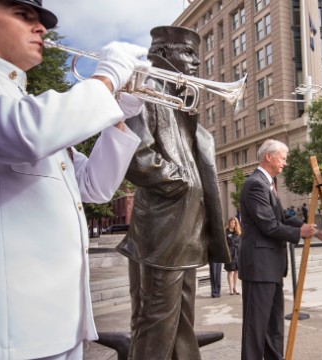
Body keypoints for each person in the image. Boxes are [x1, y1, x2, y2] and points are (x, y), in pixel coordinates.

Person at [0, 0, 145, 358]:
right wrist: (106, 79)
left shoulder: (27, 103)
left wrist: (119, 113)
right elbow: (24, 133)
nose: (42, 28)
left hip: (60, 327)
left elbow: (94, 185)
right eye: (24, 15)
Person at [115, 26, 231, 360]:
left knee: (182, 326)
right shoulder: (145, 89)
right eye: (188, 53)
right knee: (155, 325)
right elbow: (136, 158)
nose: (197, 61)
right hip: (162, 236)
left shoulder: (180, 98)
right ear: (164, 52)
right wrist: (182, 180)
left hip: (186, 234)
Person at [239, 139, 322, 360]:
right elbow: (269, 225)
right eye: (283, 158)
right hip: (259, 267)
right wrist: (301, 233)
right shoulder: (255, 184)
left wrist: (316, 231)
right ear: (269, 157)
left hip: (271, 266)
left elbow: (282, 218)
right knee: (256, 329)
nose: (285, 163)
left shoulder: (268, 184)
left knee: (274, 327)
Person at [224, 216, 242, 295]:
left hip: (237, 254)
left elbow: (241, 243)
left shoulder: (238, 232)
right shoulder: (226, 232)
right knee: (230, 271)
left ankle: (235, 287)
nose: (233, 224)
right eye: (232, 222)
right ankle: (230, 288)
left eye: (234, 223)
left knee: (236, 271)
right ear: (229, 223)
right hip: (230, 254)